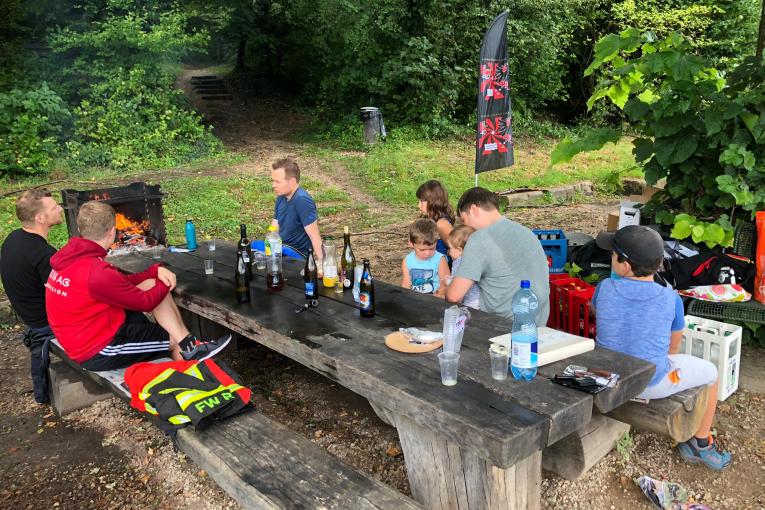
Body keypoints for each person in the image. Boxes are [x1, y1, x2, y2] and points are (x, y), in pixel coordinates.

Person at [593, 225, 731, 470]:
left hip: (606, 378)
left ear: (624, 265)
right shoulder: (671, 298)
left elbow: (602, 316)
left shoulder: (604, 287)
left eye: (613, 255)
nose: (610, 258)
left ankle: (699, 443)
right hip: (650, 385)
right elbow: (672, 350)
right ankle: (700, 443)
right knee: (711, 372)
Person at [45, 201, 231, 371]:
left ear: (80, 229)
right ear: (112, 231)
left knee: (152, 285)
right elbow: (145, 303)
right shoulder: (94, 271)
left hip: (87, 331)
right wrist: (164, 283)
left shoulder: (74, 257)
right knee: (173, 340)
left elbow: (120, 283)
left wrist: (153, 273)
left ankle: (191, 345)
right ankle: (196, 384)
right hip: (97, 349)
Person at [446, 187, 549, 324]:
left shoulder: (478, 239)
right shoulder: (525, 231)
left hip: (504, 326)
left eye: (464, 220)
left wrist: (444, 287)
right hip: (539, 322)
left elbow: (454, 296)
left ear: (474, 210)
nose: (466, 227)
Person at [0, 189, 63, 403]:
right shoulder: (43, 254)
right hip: (45, 322)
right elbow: (63, 296)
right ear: (40, 218)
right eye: (54, 207)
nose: (60, 209)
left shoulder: (14, 238)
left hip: (28, 315)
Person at [271, 158, 323, 261]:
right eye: (272, 181)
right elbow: (274, 227)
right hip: (280, 249)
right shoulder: (281, 197)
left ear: (292, 182)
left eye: (277, 182)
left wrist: (325, 264)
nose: (273, 185)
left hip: (296, 254)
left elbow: (314, 236)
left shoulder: (302, 200)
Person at [401, 219, 450, 297]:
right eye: (422, 250)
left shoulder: (440, 259)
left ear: (436, 242)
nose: (427, 253)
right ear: (411, 243)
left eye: (432, 248)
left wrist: (439, 294)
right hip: (415, 300)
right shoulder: (407, 260)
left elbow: (446, 284)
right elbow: (406, 283)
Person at [416, 180, 454, 259]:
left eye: (421, 201)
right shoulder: (431, 219)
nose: (418, 205)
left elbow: (456, 248)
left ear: (433, 201)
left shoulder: (441, 224)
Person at [446, 225, 480, 309]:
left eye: (450, 248)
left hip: (470, 302)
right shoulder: (475, 258)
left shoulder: (459, 262)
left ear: (459, 249)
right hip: (478, 300)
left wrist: (447, 282)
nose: (448, 252)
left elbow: (457, 288)